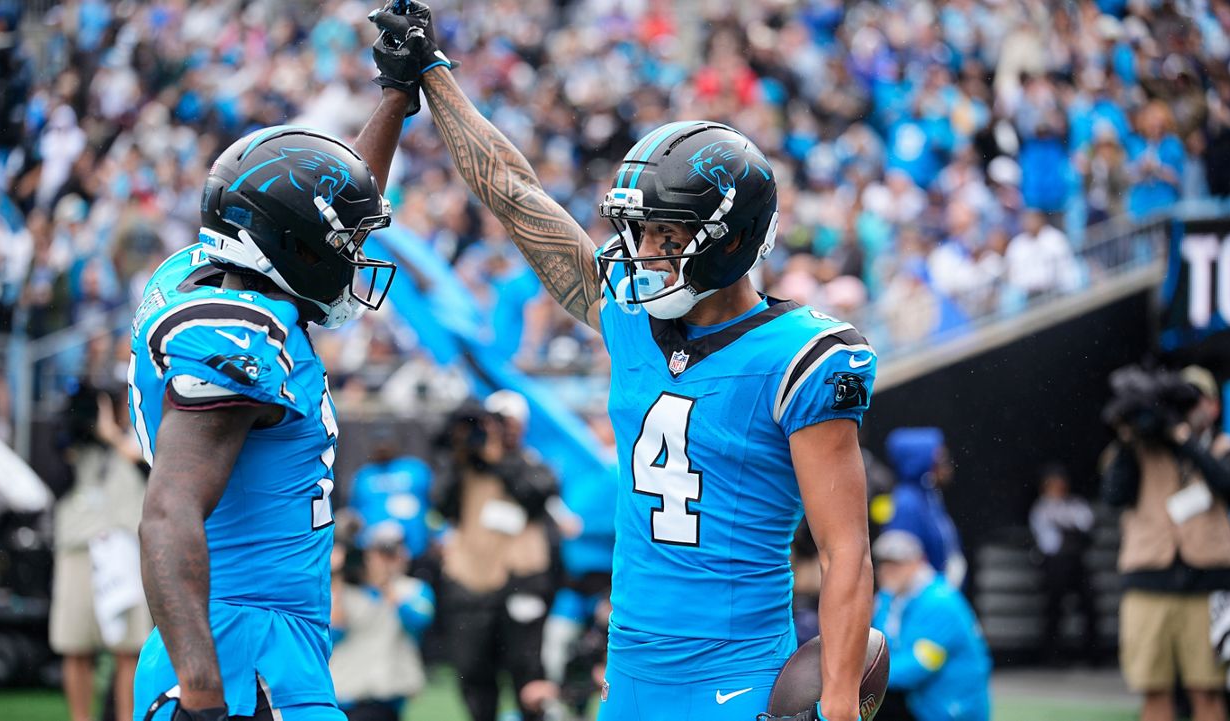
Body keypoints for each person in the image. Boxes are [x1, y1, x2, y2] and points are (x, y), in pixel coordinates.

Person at [370, 7, 878, 720]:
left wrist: (837, 707)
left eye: (666, 235)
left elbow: (845, 551)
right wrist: (434, 74)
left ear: (727, 240)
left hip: (734, 675)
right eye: (639, 233)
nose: (644, 254)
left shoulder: (800, 357)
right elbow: (515, 195)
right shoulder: (631, 318)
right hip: (630, 672)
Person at [128, 73, 412, 721]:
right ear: (293, 249)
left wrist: (394, 100)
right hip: (242, 652)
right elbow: (168, 510)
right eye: (342, 247)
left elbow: (316, 214)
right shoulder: (240, 336)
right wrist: (204, 694)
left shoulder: (202, 277)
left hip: (253, 639)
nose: (353, 258)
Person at [1101, 365, 1230, 721]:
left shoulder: (1221, 447)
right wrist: (1128, 437)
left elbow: (1226, 483)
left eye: (1191, 400)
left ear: (1212, 407)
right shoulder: (1138, 448)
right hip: (1148, 581)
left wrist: (1184, 438)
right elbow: (1113, 496)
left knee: (1207, 689)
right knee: (1154, 690)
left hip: (1207, 584)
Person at [433, 394, 563, 721]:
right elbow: (440, 504)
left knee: (527, 675)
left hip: (520, 583)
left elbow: (535, 494)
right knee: (474, 675)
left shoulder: (530, 463)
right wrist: (460, 447)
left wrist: (498, 458)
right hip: (471, 585)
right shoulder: (463, 468)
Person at [51, 385, 151, 721]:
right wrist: (76, 431)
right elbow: (53, 482)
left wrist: (111, 436)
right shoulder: (72, 447)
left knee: (128, 651)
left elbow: (152, 470)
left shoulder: (138, 441)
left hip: (124, 550)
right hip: (78, 549)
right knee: (76, 647)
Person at [870, 531, 991, 721]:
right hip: (921, 702)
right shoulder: (892, 599)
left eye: (896, 564)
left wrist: (862, 676)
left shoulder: (940, 602)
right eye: (883, 564)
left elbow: (921, 665)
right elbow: (882, 647)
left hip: (951, 710)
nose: (887, 570)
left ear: (918, 562)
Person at [330, 522, 436, 721]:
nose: (385, 560)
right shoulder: (343, 590)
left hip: (387, 695)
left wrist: (386, 585)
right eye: (379, 552)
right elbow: (332, 634)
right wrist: (337, 578)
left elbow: (420, 621)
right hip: (344, 692)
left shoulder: (413, 589)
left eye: (392, 552)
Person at [1028, 463, 1098, 666]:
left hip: (1077, 563)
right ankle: (1052, 656)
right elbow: (1048, 541)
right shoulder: (1041, 508)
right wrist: (1066, 525)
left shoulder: (1076, 504)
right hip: (1055, 564)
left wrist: (1066, 524)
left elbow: (1086, 525)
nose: (1058, 487)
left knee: (1090, 605)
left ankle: (1092, 655)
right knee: (1053, 610)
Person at [881, 427, 966, 588]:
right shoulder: (907, 502)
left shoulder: (930, 497)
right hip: (920, 601)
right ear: (921, 461)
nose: (947, 465)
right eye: (941, 459)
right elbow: (897, 566)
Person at [348, 427, 434, 561]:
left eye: (386, 441)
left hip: (414, 551)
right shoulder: (363, 475)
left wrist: (439, 532)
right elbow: (355, 512)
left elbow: (430, 507)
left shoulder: (415, 469)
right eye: (378, 442)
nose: (382, 446)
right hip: (375, 552)